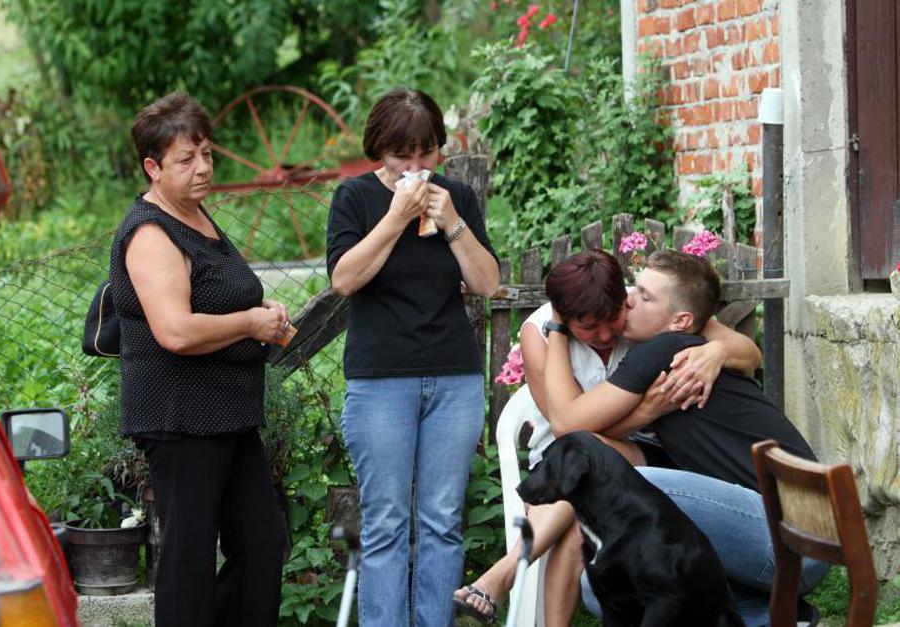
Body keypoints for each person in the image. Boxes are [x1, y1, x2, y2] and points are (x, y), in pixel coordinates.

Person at [454, 250, 763, 624]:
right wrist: (645, 410)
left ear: (623, 300)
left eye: (611, 320)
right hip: (562, 459)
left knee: (588, 482)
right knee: (582, 486)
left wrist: (718, 349)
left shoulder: (643, 310)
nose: (603, 335)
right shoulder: (539, 333)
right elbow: (569, 428)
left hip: (641, 456)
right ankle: (511, 575)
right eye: (588, 327)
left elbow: (750, 354)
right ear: (563, 317)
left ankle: (506, 572)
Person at [544, 249, 828, 627]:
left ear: (680, 321)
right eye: (634, 288)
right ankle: (767, 616)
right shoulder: (682, 346)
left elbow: (566, 423)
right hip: (792, 540)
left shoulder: (664, 349)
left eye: (645, 296)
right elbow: (590, 434)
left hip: (793, 534)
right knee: (604, 589)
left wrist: (558, 327)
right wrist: (646, 413)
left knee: (626, 483)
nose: (629, 299)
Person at [109, 92, 289, 627]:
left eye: (207, 154)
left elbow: (218, 297)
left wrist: (261, 312)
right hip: (181, 419)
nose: (203, 168)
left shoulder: (195, 214)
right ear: (153, 167)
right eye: (186, 159)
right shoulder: (149, 232)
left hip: (229, 416)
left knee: (260, 543)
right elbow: (175, 331)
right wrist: (249, 324)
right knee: (188, 559)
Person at [326, 87, 500, 627]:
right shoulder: (354, 198)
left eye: (427, 153)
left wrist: (453, 224)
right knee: (386, 523)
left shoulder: (457, 197)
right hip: (381, 381)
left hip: (454, 378)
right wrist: (396, 217)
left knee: (442, 521)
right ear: (379, 150)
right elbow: (344, 279)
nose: (416, 166)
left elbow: (487, 283)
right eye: (402, 155)